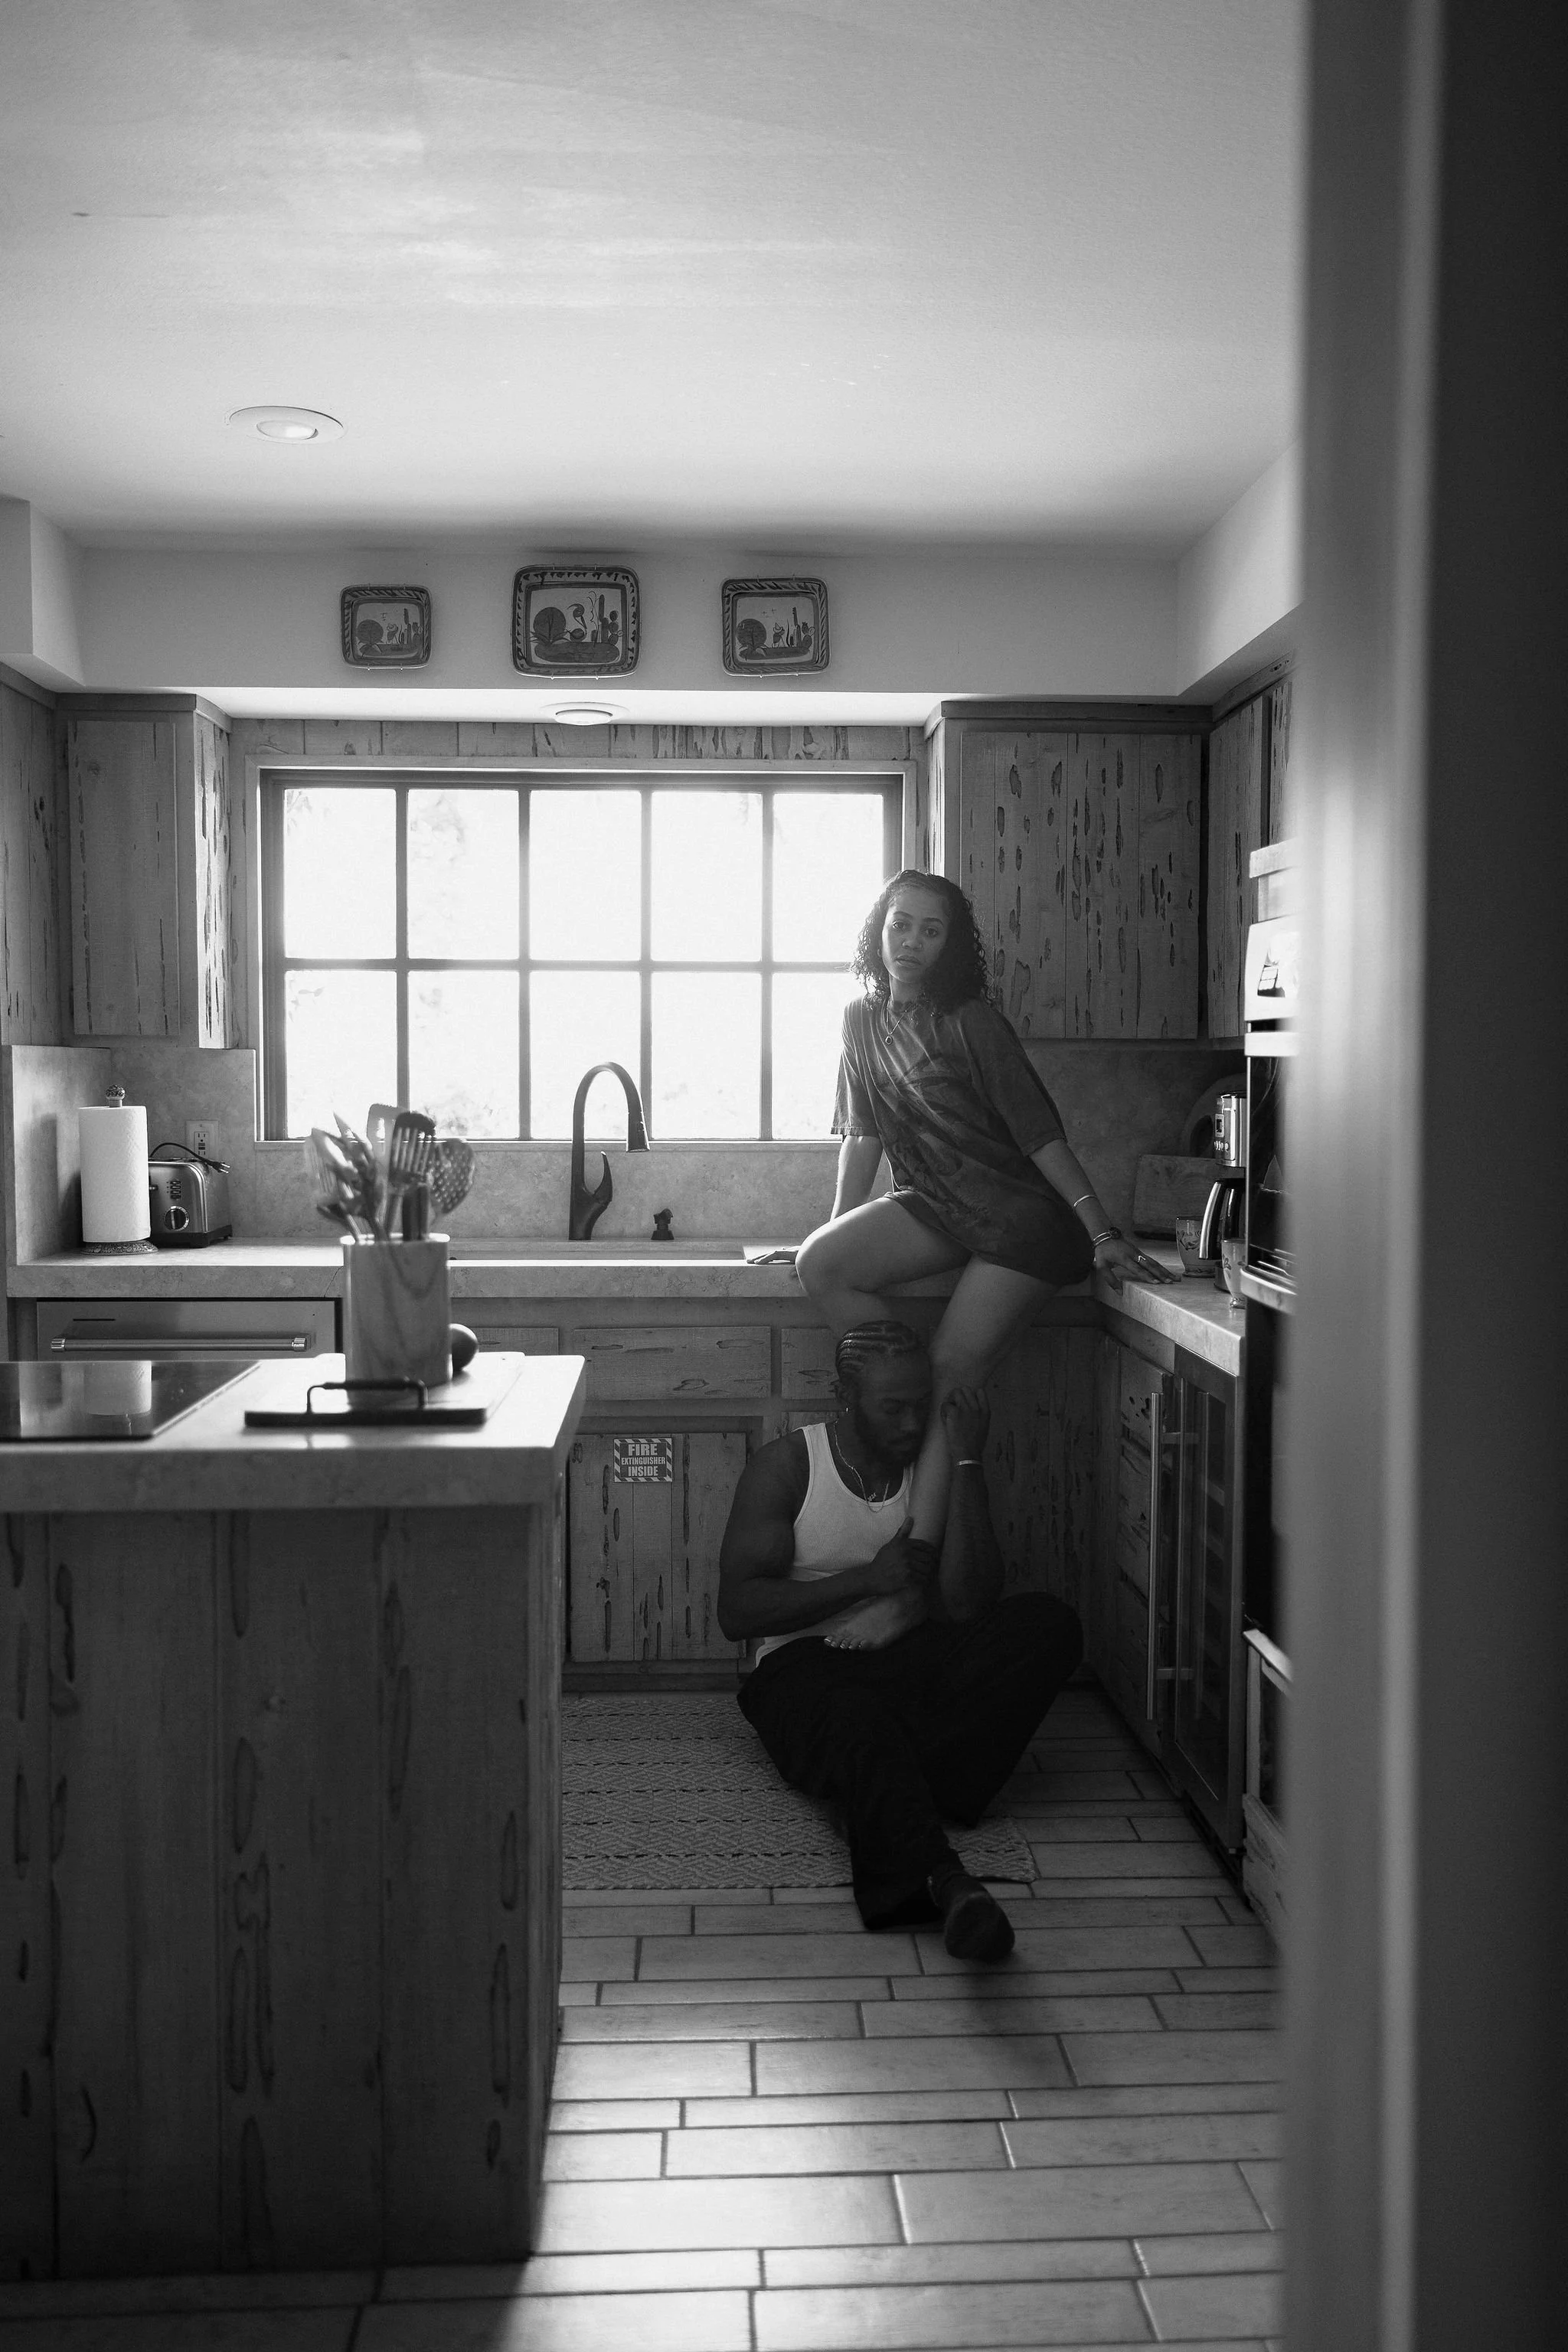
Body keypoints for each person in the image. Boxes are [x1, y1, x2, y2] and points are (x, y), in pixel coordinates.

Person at [795, 868, 1174, 1581]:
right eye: (900, 924)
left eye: (931, 930)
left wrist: (1100, 1233)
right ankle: (910, 1398)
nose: (911, 941)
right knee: (820, 1262)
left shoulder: (971, 1022)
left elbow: (1041, 1137)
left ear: (951, 946)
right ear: (878, 930)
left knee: (951, 1377)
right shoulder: (860, 1021)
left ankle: (913, 1571)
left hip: (1021, 1220)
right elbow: (863, 1136)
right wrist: (838, 1226)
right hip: (934, 1203)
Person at [718, 1319, 1083, 1958]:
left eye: (921, 1404)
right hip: (803, 1668)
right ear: (844, 1397)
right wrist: (866, 1580)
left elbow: (968, 1602)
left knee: (1048, 1624)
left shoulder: (931, 1467)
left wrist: (967, 1460)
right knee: (858, 1717)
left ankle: (882, 1788)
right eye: (893, 1408)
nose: (912, 1424)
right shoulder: (789, 1467)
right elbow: (737, 1613)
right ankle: (948, 1883)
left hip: (906, 1656)